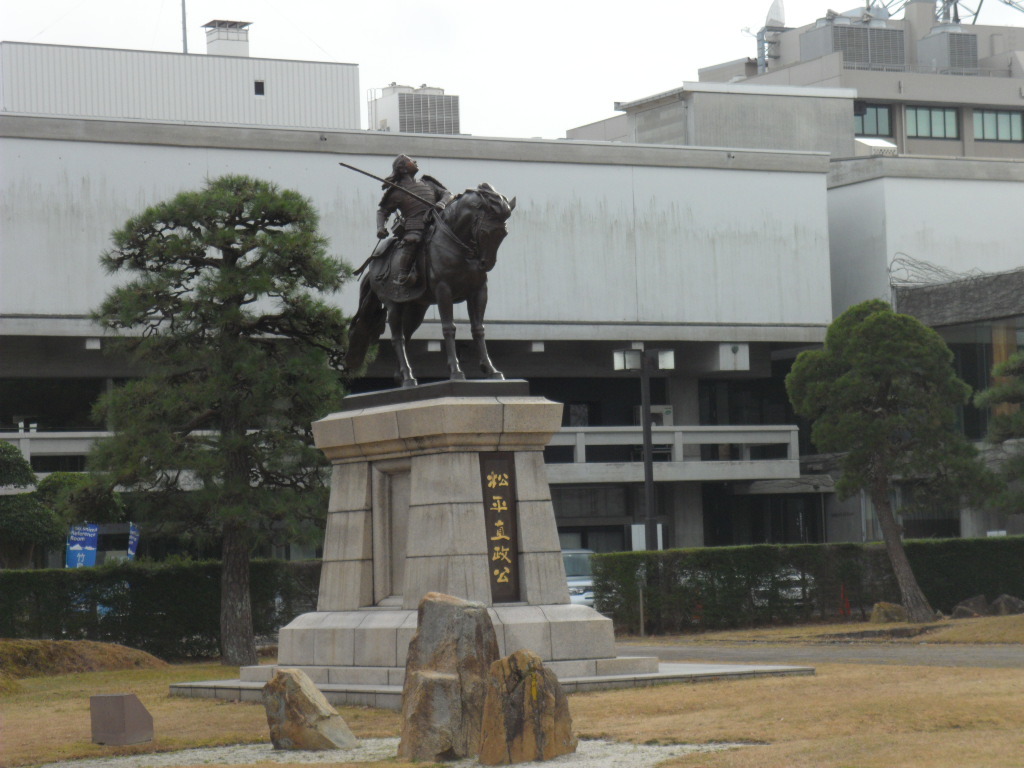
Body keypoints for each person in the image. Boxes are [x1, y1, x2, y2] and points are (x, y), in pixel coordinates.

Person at [376, 155, 453, 285]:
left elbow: (447, 194)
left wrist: (442, 203)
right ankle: (403, 274)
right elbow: (382, 211)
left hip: (438, 220)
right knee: (413, 240)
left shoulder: (427, 182)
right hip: (415, 225)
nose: (415, 161)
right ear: (403, 169)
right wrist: (380, 228)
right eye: (411, 161)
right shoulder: (396, 192)